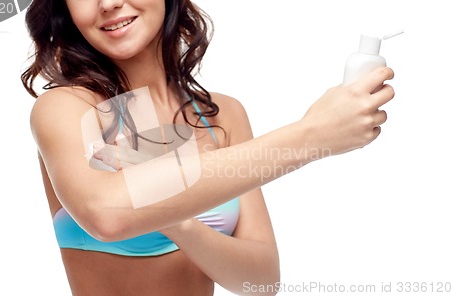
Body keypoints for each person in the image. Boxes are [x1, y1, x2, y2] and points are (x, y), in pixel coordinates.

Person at [21, 0, 395, 295]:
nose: (109, 3)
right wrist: (311, 137)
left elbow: (262, 282)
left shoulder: (222, 115)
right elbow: (108, 214)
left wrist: (179, 222)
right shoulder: (72, 108)